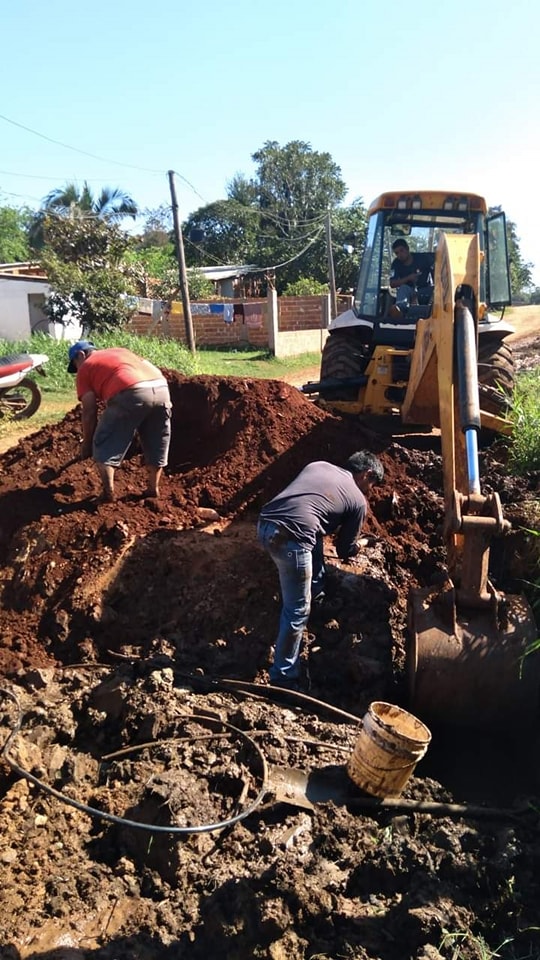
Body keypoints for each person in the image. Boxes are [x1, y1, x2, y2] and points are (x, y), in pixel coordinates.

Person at [257, 451, 384, 690]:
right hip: (291, 543)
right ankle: (283, 678)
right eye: (372, 483)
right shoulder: (357, 500)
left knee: (313, 533)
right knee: (296, 611)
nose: (371, 490)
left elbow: (306, 509)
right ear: (367, 474)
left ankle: (316, 591)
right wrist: (364, 543)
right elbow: (344, 550)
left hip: (265, 525)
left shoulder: (318, 465)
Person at [67, 340, 172, 502]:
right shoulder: (120, 351)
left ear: (81, 355)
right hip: (161, 388)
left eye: (75, 364)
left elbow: (89, 411)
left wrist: (87, 443)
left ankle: (107, 493)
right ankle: (153, 488)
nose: (77, 370)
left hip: (131, 390)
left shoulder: (86, 367)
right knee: (156, 439)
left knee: (103, 442)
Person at [389, 239, 435, 317]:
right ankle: (399, 310)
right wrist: (408, 278)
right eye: (397, 253)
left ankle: (434, 309)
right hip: (409, 292)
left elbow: (436, 269)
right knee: (403, 288)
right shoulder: (396, 264)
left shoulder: (423, 258)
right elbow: (392, 283)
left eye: (401, 251)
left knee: (436, 289)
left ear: (407, 249)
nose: (400, 255)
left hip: (425, 290)